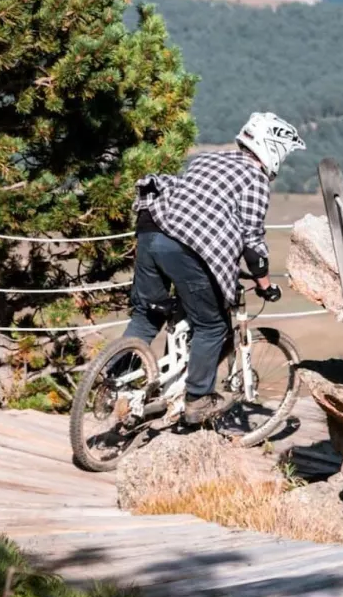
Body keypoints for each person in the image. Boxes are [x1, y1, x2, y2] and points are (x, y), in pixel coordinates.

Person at [126, 112, 306, 425]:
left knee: (147, 315)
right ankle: (197, 401)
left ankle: (114, 384)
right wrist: (264, 283)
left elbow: (198, 205)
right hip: (184, 246)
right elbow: (251, 239)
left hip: (150, 229)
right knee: (212, 326)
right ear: (272, 148)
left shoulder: (206, 159)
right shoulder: (255, 180)